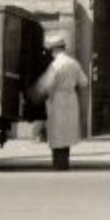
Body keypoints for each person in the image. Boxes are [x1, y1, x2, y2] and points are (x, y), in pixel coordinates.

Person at [27, 32, 89, 171]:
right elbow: (84, 82)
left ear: (54, 49)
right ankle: (65, 160)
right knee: (67, 132)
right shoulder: (74, 63)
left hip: (57, 100)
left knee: (57, 132)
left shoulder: (55, 65)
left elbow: (46, 85)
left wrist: (33, 94)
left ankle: (59, 163)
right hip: (71, 99)